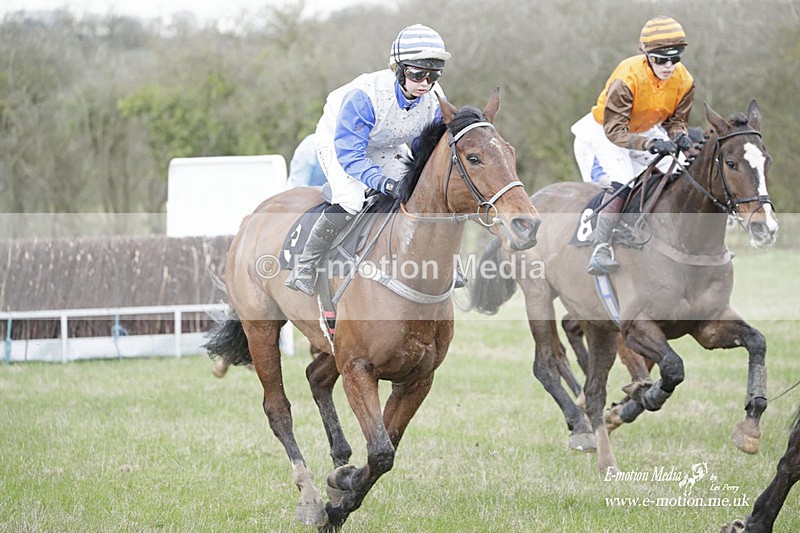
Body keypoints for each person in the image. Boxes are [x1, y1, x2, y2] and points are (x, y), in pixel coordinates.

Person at [285, 24, 451, 295]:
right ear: (398, 69)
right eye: (417, 73)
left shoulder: (435, 98)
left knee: (417, 196)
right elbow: (351, 154)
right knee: (351, 200)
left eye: (433, 74)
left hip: (387, 143)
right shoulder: (365, 96)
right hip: (341, 141)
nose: (425, 82)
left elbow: (426, 147)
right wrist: (385, 184)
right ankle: (305, 264)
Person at [571, 16, 696, 275]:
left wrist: (680, 135)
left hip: (644, 129)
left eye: (675, 58)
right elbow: (614, 130)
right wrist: (650, 143)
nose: (668, 65)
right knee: (624, 179)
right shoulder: (628, 78)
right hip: (604, 131)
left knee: (683, 170)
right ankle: (601, 247)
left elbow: (676, 121)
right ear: (646, 55)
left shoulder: (684, 81)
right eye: (661, 59)